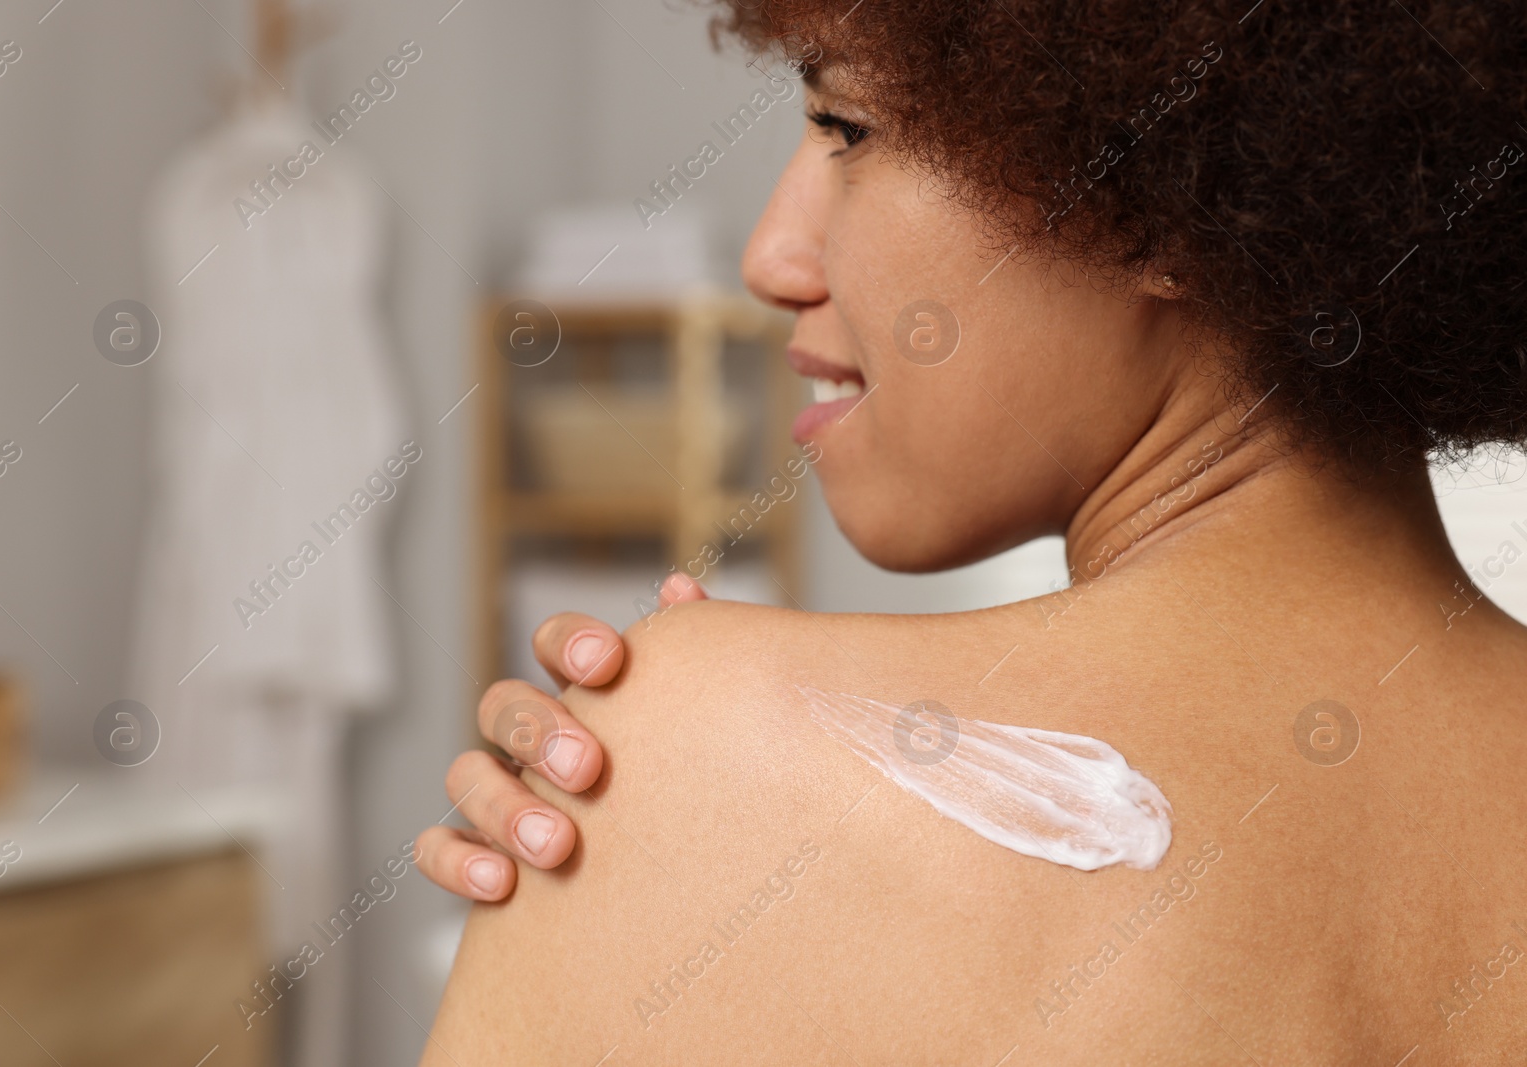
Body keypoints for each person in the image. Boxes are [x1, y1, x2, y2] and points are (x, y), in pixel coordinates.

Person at [415, 1, 1527, 1061]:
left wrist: (664, 763)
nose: (771, 258)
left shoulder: (696, 746)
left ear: (1155, 192)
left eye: (845, 128)